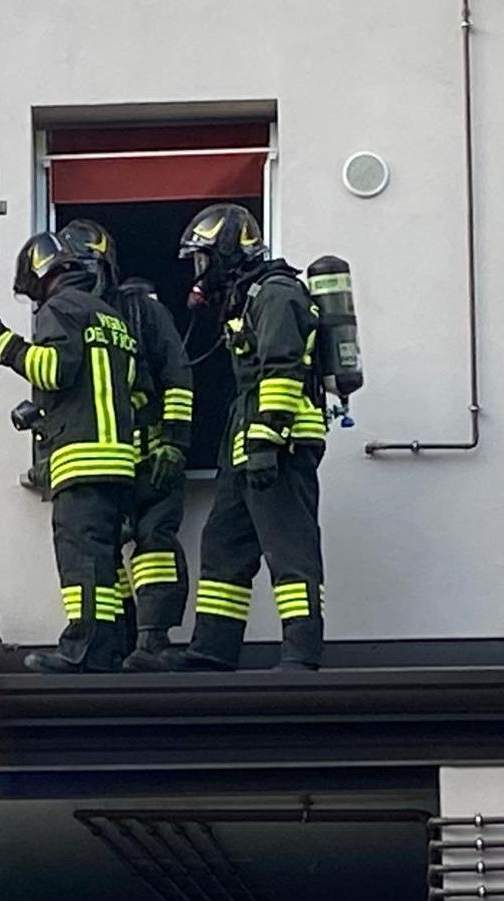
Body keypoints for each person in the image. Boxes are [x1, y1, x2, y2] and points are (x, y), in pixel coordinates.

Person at [164, 203, 329, 672]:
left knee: (289, 547)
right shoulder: (248, 298)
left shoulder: (276, 294)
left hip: (281, 444)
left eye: (202, 258)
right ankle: (212, 650)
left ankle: (301, 652)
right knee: (224, 544)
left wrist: (266, 441)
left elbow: (281, 369)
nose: (199, 270)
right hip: (247, 443)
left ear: (225, 251)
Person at [0, 232, 139, 673]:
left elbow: (55, 370)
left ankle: (85, 651)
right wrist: (46, 411)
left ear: (42, 274)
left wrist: (2, 342)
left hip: (81, 459)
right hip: (120, 461)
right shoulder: (110, 317)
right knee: (106, 563)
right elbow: (113, 385)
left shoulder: (59, 309)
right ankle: (116, 647)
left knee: (81, 562)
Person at [57, 219, 194, 672]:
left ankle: (153, 642)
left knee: (154, 544)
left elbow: (177, 375)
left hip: (151, 453)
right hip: (103, 458)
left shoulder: (141, 311)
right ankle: (113, 644)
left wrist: (173, 442)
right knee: (103, 553)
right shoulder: (72, 316)